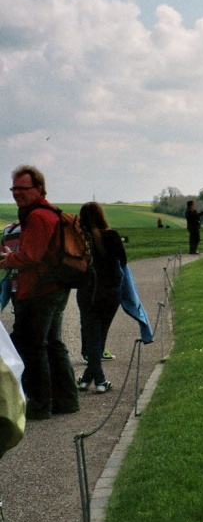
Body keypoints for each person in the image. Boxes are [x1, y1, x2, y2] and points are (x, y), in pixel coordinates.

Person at [0, 165, 79, 420]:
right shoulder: (48, 212)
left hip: (38, 290)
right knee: (53, 345)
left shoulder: (37, 216)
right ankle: (66, 400)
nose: (17, 193)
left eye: (23, 188)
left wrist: (9, 259)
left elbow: (31, 256)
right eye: (14, 188)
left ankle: (40, 404)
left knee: (34, 347)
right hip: (54, 287)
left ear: (38, 189)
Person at [76, 202, 126, 394]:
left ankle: (89, 377)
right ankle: (99, 379)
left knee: (93, 334)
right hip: (110, 292)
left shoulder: (81, 238)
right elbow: (123, 261)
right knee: (100, 334)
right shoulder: (112, 236)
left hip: (88, 292)